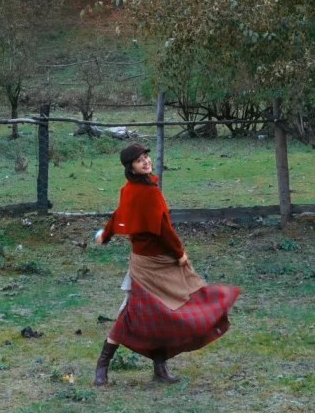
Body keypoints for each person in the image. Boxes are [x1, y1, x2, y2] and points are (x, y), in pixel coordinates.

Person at [92, 141, 239, 385]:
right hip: (147, 265)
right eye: (139, 160)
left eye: (146, 157)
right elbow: (162, 229)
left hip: (156, 262)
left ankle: (159, 368)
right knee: (131, 313)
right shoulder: (143, 192)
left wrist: (105, 235)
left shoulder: (137, 188)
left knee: (162, 312)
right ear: (131, 167)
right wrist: (179, 253)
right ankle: (102, 366)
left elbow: (119, 216)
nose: (146, 162)